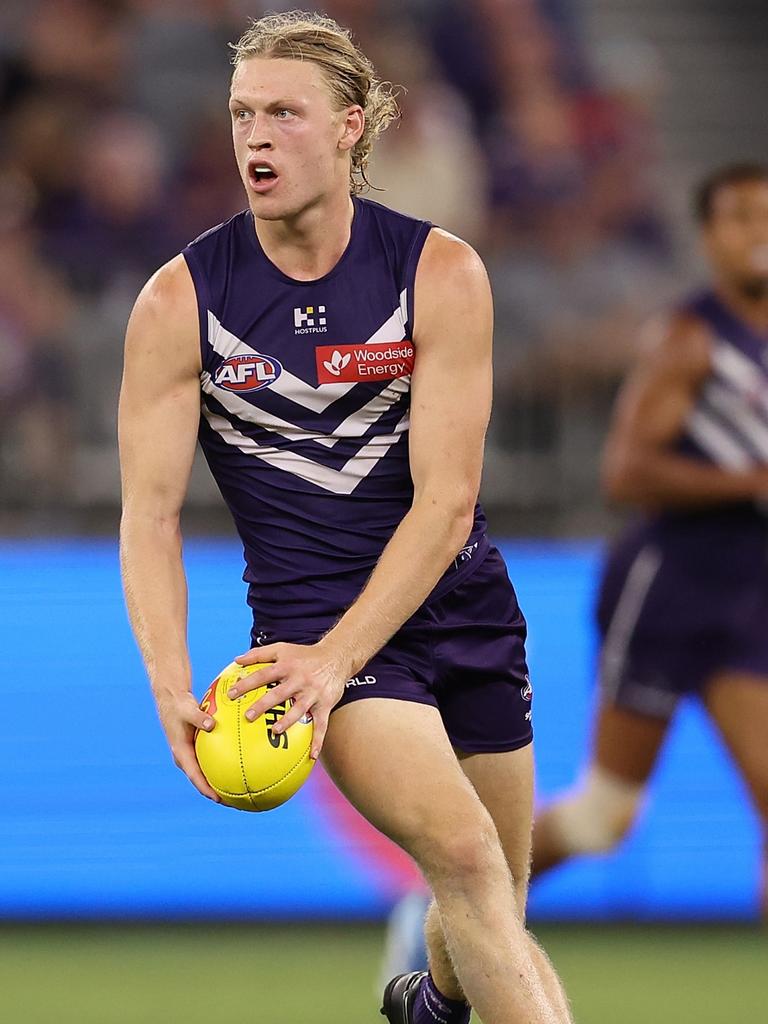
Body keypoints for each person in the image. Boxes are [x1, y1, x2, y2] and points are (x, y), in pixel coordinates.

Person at [118, 12, 571, 1024]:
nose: (255, 138)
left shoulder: (440, 273)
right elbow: (147, 518)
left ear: (351, 127)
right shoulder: (179, 302)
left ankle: (431, 1005)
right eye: (242, 114)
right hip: (318, 636)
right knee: (463, 857)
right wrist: (174, 679)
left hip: (466, 612)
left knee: (493, 897)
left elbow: (448, 501)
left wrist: (338, 653)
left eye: (284, 112)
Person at [532, 164, 768, 904]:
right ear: (707, 237)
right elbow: (625, 471)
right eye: (739, 217)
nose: (758, 232)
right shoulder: (693, 339)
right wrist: (752, 486)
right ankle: (447, 905)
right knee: (604, 817)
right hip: (671, 583)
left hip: (749, 589)